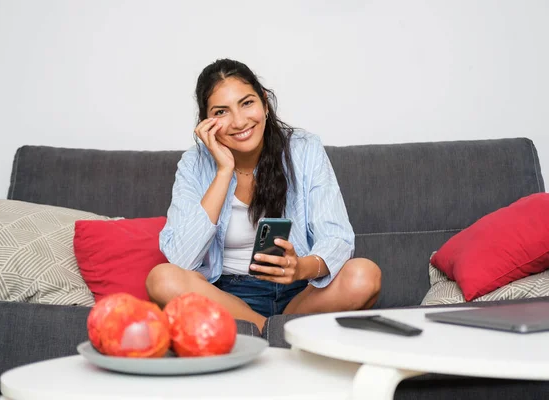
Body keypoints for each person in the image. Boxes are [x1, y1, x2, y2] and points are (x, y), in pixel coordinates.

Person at [146, 59, 381, 332]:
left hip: (300, 293)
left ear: (265, 104)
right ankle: (272, 330)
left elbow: (337, 237)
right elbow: (182, 260)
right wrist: (224, 170)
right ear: (206, 123)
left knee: (365, 275)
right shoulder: (194, 164)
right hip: (229, 298)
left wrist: (300, 268)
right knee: (161, 279)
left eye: (247, 103)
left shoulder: (304, 150)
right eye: (222, 111)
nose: (239, 121)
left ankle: (262, 330)